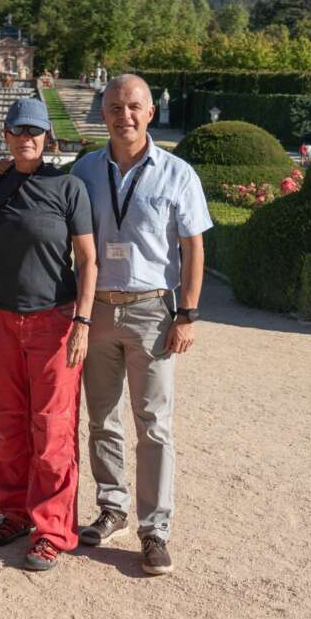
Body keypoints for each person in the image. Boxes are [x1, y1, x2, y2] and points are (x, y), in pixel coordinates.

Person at [70, 74, 212, 576]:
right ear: (102, 113)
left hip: (154, 310)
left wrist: (187, 313)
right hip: (98, 310)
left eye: (133, 106)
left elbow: (194, 246)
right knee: (101, 419)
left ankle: (156, 529)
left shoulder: (178, 174)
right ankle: (112, 507)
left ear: (149, 112)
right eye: (114, 107)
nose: (123, 115)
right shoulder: (85, 170)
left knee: (154, 425)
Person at [0, 98, 97, 572]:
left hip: (54, 319)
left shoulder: (68, 187)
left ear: (49, 137)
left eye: (35, 131)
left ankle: (53, 530)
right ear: (6, 134)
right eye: (18, 130)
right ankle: (14, 512)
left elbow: (86, 260)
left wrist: (82, 322)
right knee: (6, 424)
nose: (27, 137)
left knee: (52, 429)